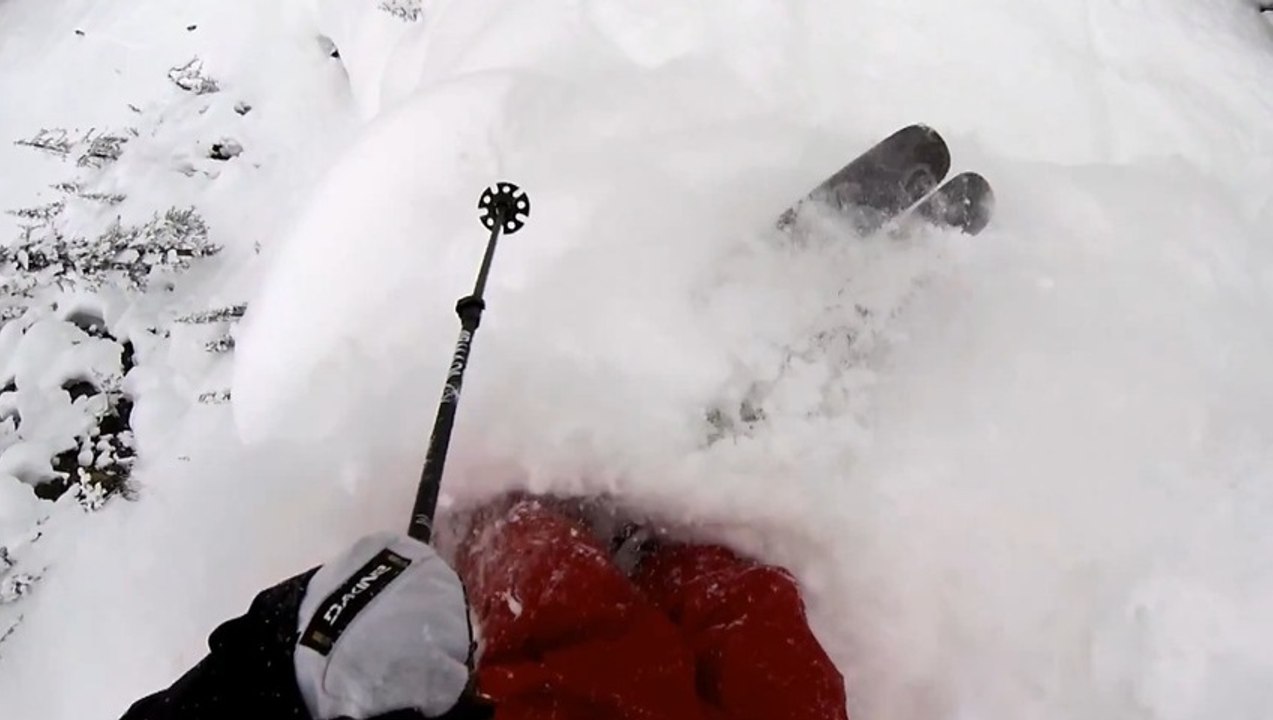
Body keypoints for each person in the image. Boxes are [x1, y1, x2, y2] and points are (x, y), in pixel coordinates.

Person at [120, 492, 848, 720]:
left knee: (539, 572)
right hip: (574, 658)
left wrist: (305, 642)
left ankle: (555, 509)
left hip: (499, 641)